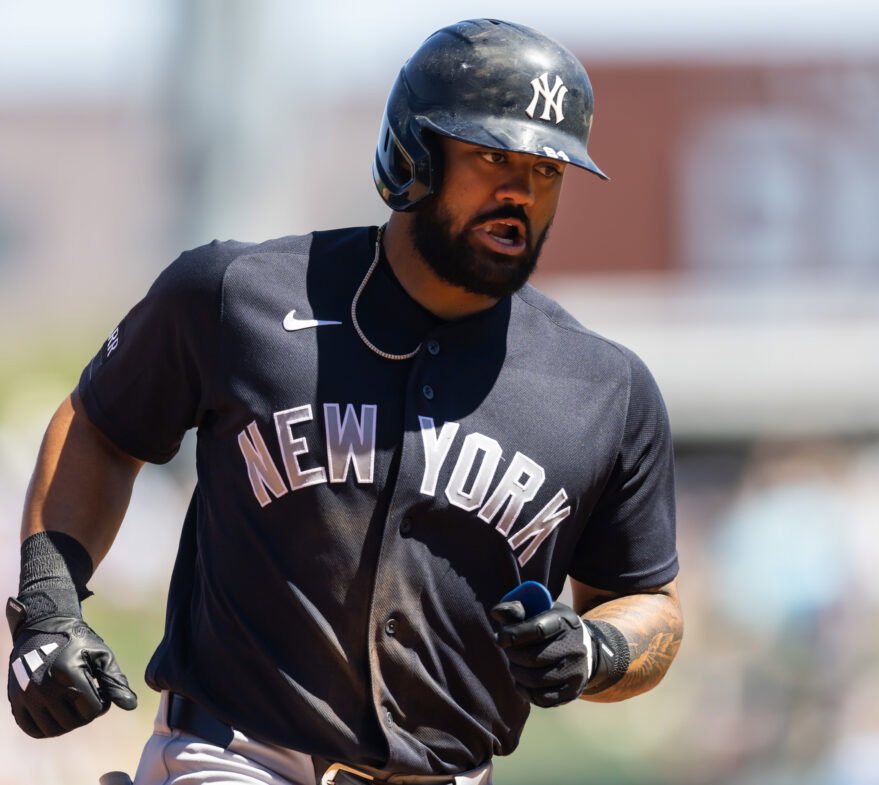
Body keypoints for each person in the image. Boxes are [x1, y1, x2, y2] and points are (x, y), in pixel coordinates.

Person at [7, 18, 682, 785]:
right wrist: (48, 606)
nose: (520, 193)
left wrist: (598, 651)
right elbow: (102, 425)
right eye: (494, 156)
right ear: (414, 154)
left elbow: (645, 600)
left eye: (547, 171)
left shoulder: (605, 388)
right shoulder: (238, 296)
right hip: (237, 757)